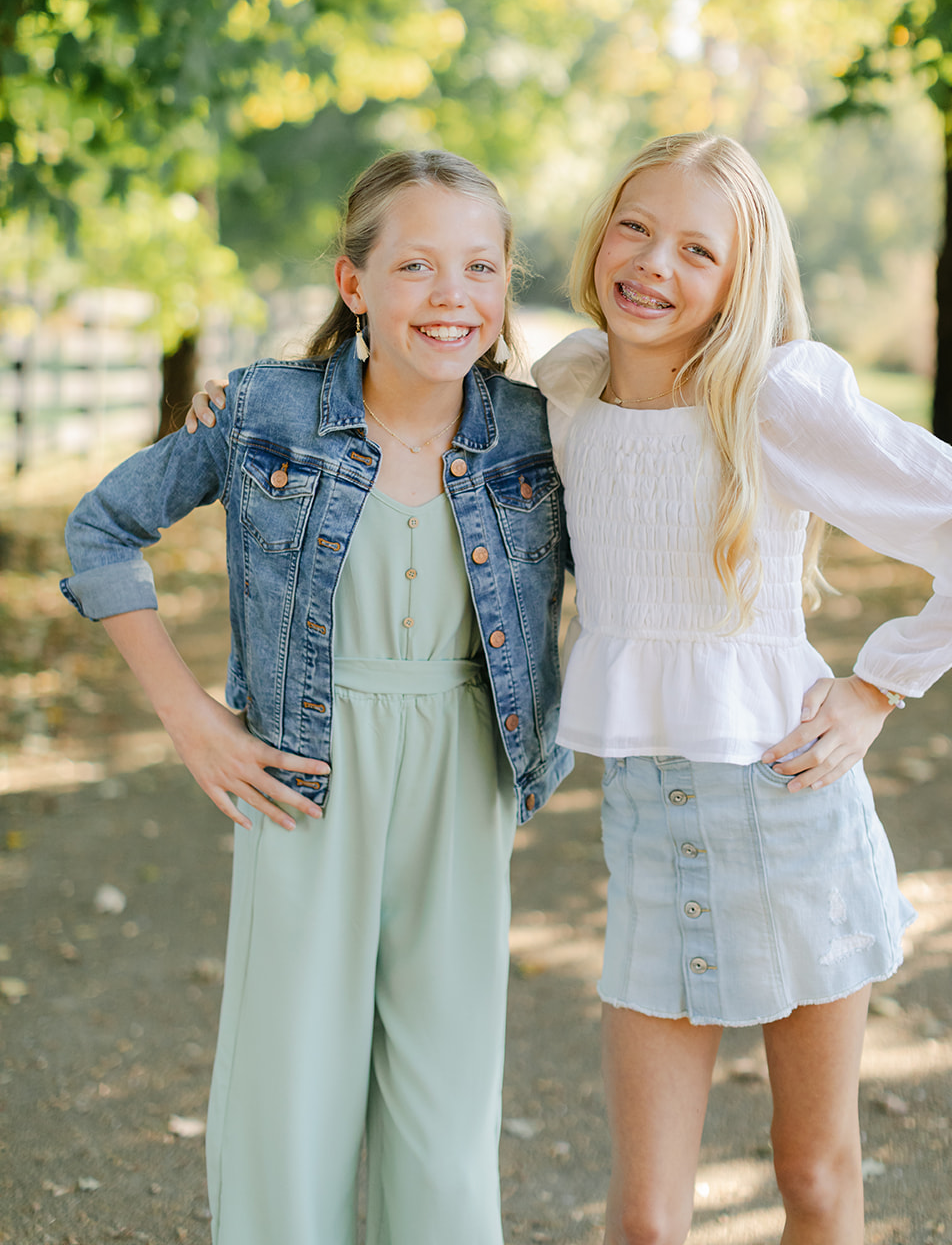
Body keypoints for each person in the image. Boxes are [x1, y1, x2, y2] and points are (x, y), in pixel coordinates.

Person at [529, 132, 952, 1245]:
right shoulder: (566, 387)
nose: (651, 264)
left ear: (740, 278)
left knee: (811, 1175)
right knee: (641, 1220)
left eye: (694, 248)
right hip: (644, 825)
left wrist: (879, 684)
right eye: (634, 226)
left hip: (787, 817)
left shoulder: (769, 398)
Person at [60, 149, 573, 1245]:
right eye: (416, 266)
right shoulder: (262, 414)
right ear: (354, 285)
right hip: (303, 767)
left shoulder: (543, 430)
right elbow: (102, 528)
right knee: (289, 1094)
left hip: (466, 767)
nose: (451, 297)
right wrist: (193, 720)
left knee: (443, 1110)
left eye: (479, 266)